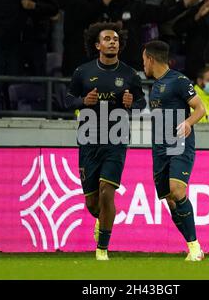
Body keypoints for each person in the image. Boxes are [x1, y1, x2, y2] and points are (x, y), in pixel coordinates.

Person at [67, 22, 146, 260]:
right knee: (93, 204)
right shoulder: (82, 72)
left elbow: (142, 104)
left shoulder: (130, 75)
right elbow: (67, 101)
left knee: (107, 191)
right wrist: (83, 101)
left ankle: (102, 249)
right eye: (107, 39)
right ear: (97, 44)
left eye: (116, 39)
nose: (112, 42)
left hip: (116, 139)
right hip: (88, 139)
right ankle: (101, 222)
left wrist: (134, 103)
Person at [143, 40, 206, 261]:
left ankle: (195, 248)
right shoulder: (156, 86)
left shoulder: (179, 81)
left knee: (177, 190)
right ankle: (192, 246)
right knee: (170, 199)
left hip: (180, 144)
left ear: (150, 59)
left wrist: (188, 123)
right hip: (159, 148)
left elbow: (201, 108)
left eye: (143, 60)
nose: (143, 65)